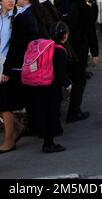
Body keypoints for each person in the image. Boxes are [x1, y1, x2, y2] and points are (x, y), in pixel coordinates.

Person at [2, 0, 49, 135]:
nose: (14, 0)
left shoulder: (23, 16)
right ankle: (37, 126)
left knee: (31, 98)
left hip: (27, 62)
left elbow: (17, 44)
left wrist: (8, 67)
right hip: (38, 60)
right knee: (34, 96)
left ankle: (37, 127)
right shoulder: (35, 10)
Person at [0, 0, 25, 154]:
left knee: (5, 105)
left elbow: (16, 47)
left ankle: (8, 141)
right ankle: (18, 128)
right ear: (0, 0)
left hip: (7, 66)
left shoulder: (18, 18)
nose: (11, 1)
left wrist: (6, 70)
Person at [62, 0, 99, 122]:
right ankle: (74, 112)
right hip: (78, 49)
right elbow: (91, 31)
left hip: (63, 49)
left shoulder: (66, 3)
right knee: (79, 80)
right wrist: (95, 53)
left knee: (67, 78)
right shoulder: (84, 7)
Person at [33, 22, 72, 153]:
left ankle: (45, 138)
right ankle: (48, 144)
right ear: (65, 36)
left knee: (43, 112)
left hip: (40, 84)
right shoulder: (60, 51)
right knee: (52, 114)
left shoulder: (45, 46)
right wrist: (68, 84)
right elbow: (60, 72)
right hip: (52, 86)